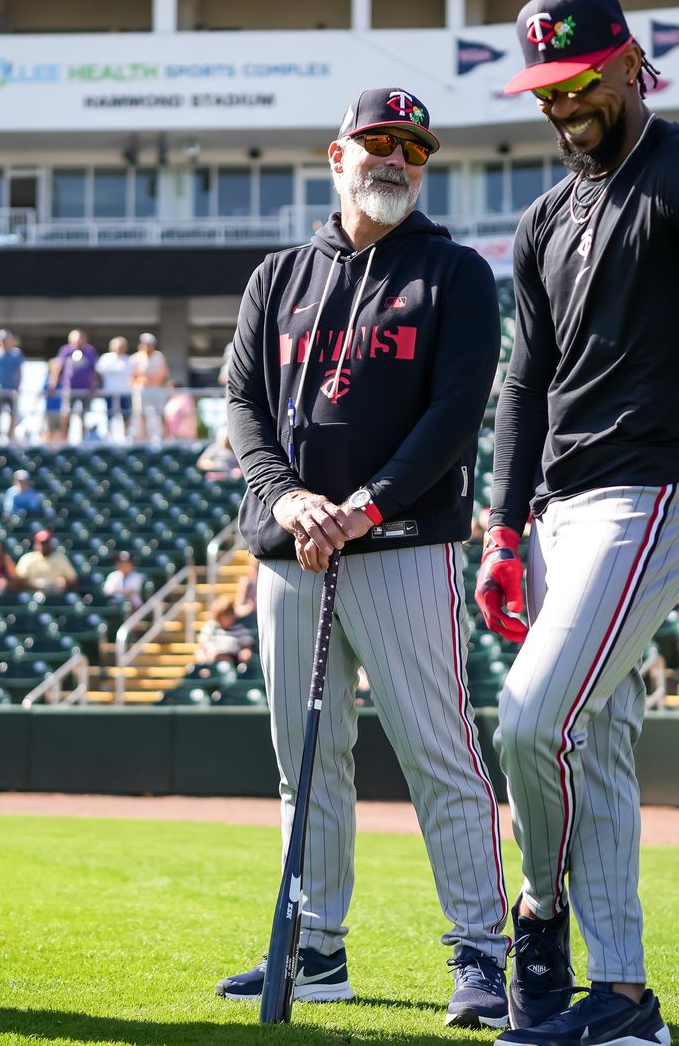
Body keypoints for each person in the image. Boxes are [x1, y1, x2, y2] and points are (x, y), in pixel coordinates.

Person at [479, 0, 679, 1044]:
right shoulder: (541, 220)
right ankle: (623, 1002)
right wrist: (503, 528)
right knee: (595, 739)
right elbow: (524, 386)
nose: (562, 104)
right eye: (544, 89)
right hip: (561, 511)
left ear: (629, 65)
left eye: (578, 82)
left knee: (530, 719)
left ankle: (539, 912)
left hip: (658, 493)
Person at [221, 85, 511, 1031]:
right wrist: (291, 498)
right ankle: (316, 949)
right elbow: (243, 408)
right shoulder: (277, 277)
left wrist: (364, 504)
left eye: (413, 150)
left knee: (440, 750)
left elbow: (455, 416)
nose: (395, 159)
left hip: (402, 545)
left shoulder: (456, 274)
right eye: (377, 142)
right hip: (291, 548)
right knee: (304, 760)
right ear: (336, 155)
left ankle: (481, 953)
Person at [53, 329, 99, 441]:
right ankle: (65, 439)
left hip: (86, 390)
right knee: (66, 413)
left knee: (84, 415)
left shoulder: (90, 351)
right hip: (69, 389)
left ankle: (83, 439)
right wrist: (53, 384)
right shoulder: (65, 350)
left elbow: (94, 371)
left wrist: (94, 386)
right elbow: (58, 367)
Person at [0, 330, 25, 443]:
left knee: (13, 413)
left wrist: (18, 387)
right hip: (0, 389)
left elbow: (19, 372)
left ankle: (10, 435)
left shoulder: (16, 354)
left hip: (12, 390)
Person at [129, 332, 170, 442]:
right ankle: (144, 437)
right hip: (142, 389)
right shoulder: (136, 358)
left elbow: (165, 373)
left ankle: (165, 436)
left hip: (157, 388)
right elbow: (132, 376)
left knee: (161, 413)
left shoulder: (159, 356)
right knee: (141, 413)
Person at [193, 595, 255, 664]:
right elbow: (201, 645)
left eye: (230, 613)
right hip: (211, 661)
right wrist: (203, 656)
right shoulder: (211, 627)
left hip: (232, 662)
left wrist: (245, 653)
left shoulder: (239, 629)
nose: (229, 616)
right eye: (225, 614)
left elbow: (247, 647)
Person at [95, 336, 133, 441]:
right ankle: (109, 436)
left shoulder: (128, 360)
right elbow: (98, 373)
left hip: (125, 392)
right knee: (109, 415)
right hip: (110, 392)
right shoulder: (105, 358)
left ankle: (126, 436)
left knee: (126, 415)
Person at [14, 530, 76, 594]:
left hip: (55, 597)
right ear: (36, 544)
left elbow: (72, 579)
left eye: (47, 543)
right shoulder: (28, 558)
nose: (44, 546)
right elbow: (18, 580)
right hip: (33, 596)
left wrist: (64, 582)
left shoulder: (61, 557)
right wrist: (35, 584)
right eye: (42, 543)